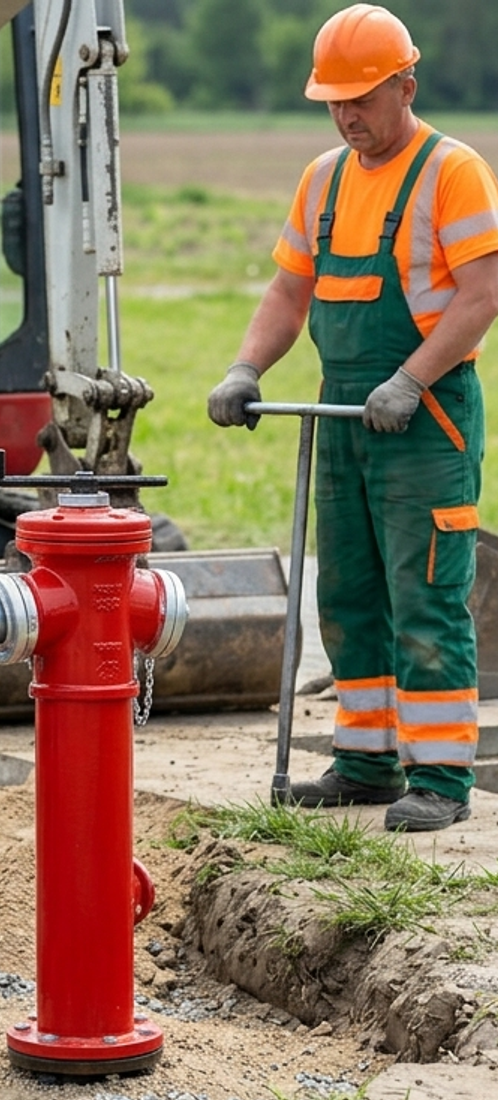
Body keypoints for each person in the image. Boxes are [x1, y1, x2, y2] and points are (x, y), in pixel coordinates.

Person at [207, 4, 498, 832]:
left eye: (362, 98)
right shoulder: (325, 177)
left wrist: (411, 377)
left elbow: (482, 296)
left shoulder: (453, 171)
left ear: (407, 84)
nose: (347, 115)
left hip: (426, 417)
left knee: (427, 591)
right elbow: (289, 290)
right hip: (344, 417)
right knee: (349, 592)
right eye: (334, 100)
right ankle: (365, 761)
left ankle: (440, 775)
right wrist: (245, 366)